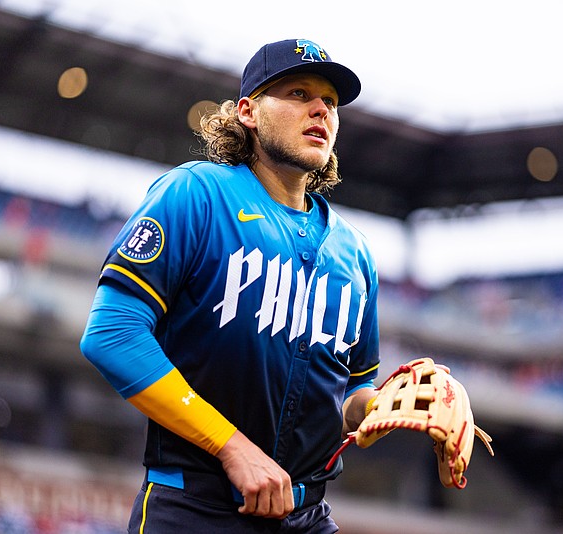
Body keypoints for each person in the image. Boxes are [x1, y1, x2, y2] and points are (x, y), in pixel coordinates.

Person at [80, 38, 380, 533]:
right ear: (247, 111)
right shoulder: (196, 194)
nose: (320, 110)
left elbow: (354, 389)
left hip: (308, 515)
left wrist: (383, 407)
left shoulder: (356, 253)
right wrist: (231, 446)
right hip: (195, 507)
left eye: (329, 101)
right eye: (298, 93)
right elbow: (112, 334)